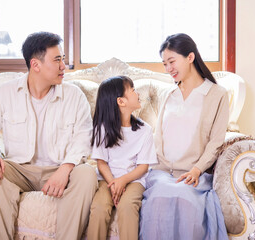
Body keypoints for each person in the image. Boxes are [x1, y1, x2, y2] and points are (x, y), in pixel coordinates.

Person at [0, 32, 97, 240]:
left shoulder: (74, 96)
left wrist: (66, 168)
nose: (64, 66)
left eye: (63, 59)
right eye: (57, 60)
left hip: (60, 167)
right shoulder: (5, 93)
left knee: (87, 174)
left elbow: (83, 138)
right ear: (36, 65)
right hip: (21, 170)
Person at [139, 33, 230, 240]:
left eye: (172, 61)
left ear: (190, 57)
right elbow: (158, 136)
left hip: (193, 174)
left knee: (184, 198)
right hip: (162, 172)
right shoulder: (168, 95)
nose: (168, 68)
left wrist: (197, 170)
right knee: (159, 199)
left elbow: (216, 142)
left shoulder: (217, 94)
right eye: (164, 64)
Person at [86, 76, 158, 240]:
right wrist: (113, 183)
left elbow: (143, 167)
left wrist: (123, 181)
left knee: (127, 207)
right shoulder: (102, 128)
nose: (137, 93)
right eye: (132, 90)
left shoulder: (145, 130)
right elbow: (101, 163)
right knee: (99, 207)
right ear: (121, 101)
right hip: (107, 179)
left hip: (134, 179)